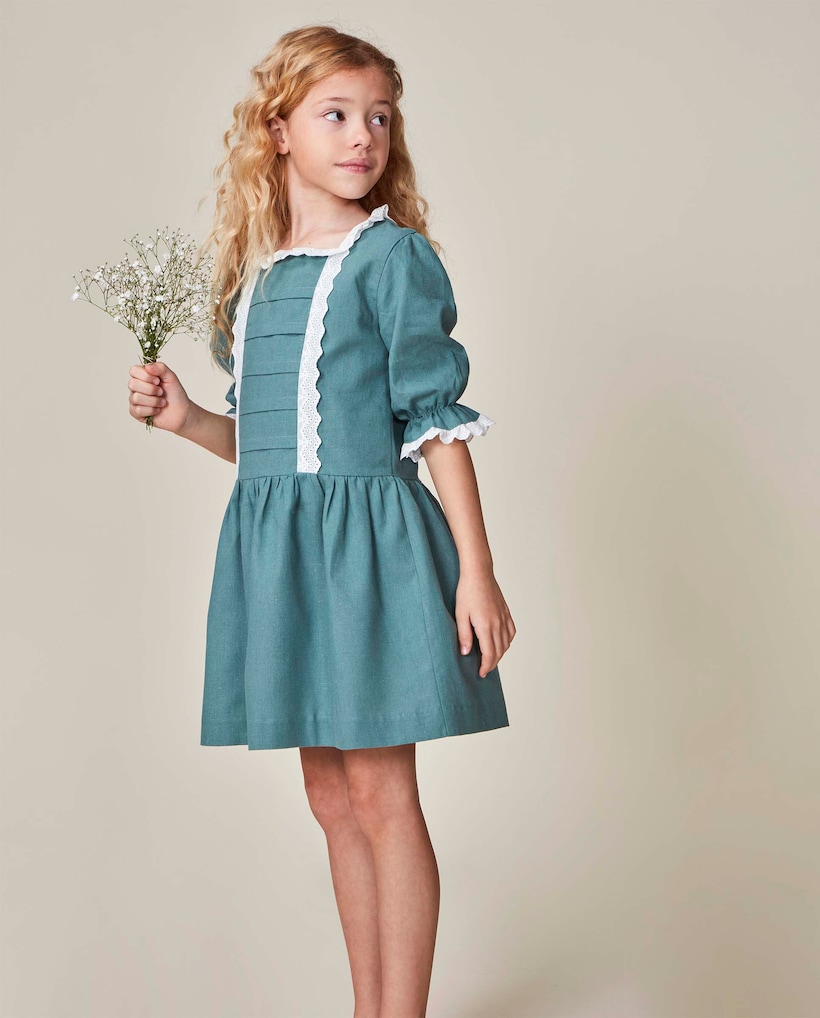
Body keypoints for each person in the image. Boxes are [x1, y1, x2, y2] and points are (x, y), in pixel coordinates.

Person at [127, 24, 516, 1018]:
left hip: (369, 562)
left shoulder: (390, 260)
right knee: (331, 798)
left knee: (382, 795)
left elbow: (436, 427)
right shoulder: (254, 284)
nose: (362, 136)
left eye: (379, 117)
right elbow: (271, 449)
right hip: (288, 563)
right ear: (278, 131)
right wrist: (187, 419)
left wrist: (477, 572)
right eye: (335, 114)